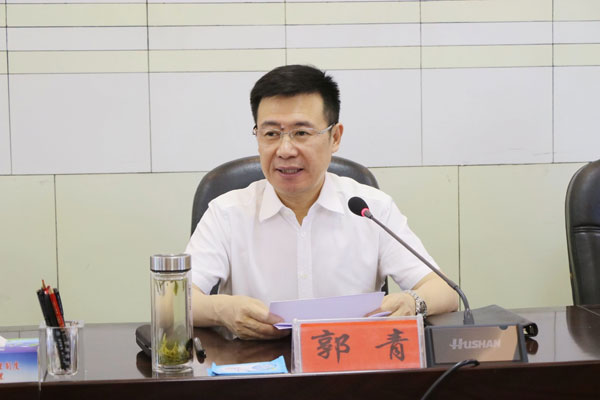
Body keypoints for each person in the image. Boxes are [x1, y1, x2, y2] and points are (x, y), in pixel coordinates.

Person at [186, 65, 458, 340]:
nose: (285, 150)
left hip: (351, 360)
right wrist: (220, 309)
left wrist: (412, 302)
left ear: (335, 137)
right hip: (256, 363)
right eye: (271, 134)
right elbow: (173, 303)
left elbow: (444, 291)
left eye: (301, 133)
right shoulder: (226, 213)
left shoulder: (371, 209)